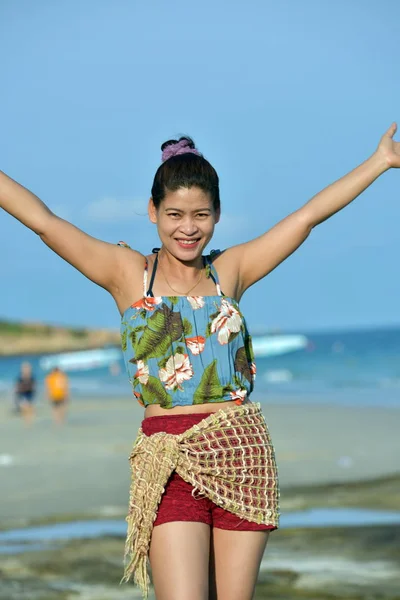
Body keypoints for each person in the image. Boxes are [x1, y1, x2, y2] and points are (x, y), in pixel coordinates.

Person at [1, 125, 399, 600]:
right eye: (174, 214)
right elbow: (44, 221)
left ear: (216, 215)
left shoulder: (230, 270)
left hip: (242, 453)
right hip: (167, 460)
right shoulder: (127, 275)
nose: (187, 227)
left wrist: (379, 162)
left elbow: (307, 217)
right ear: (153, 212)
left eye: (200, 215)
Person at [14, 361, 36, 426]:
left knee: (30, 407)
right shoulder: (20, 378)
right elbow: (17, 386)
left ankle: (29, 421)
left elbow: (34, 386)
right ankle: (26, 421)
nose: (26, 370)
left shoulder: (31, 377)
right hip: (22, 394)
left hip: (29, 393)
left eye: (27, 368)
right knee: (25, 407)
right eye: (25, 368)